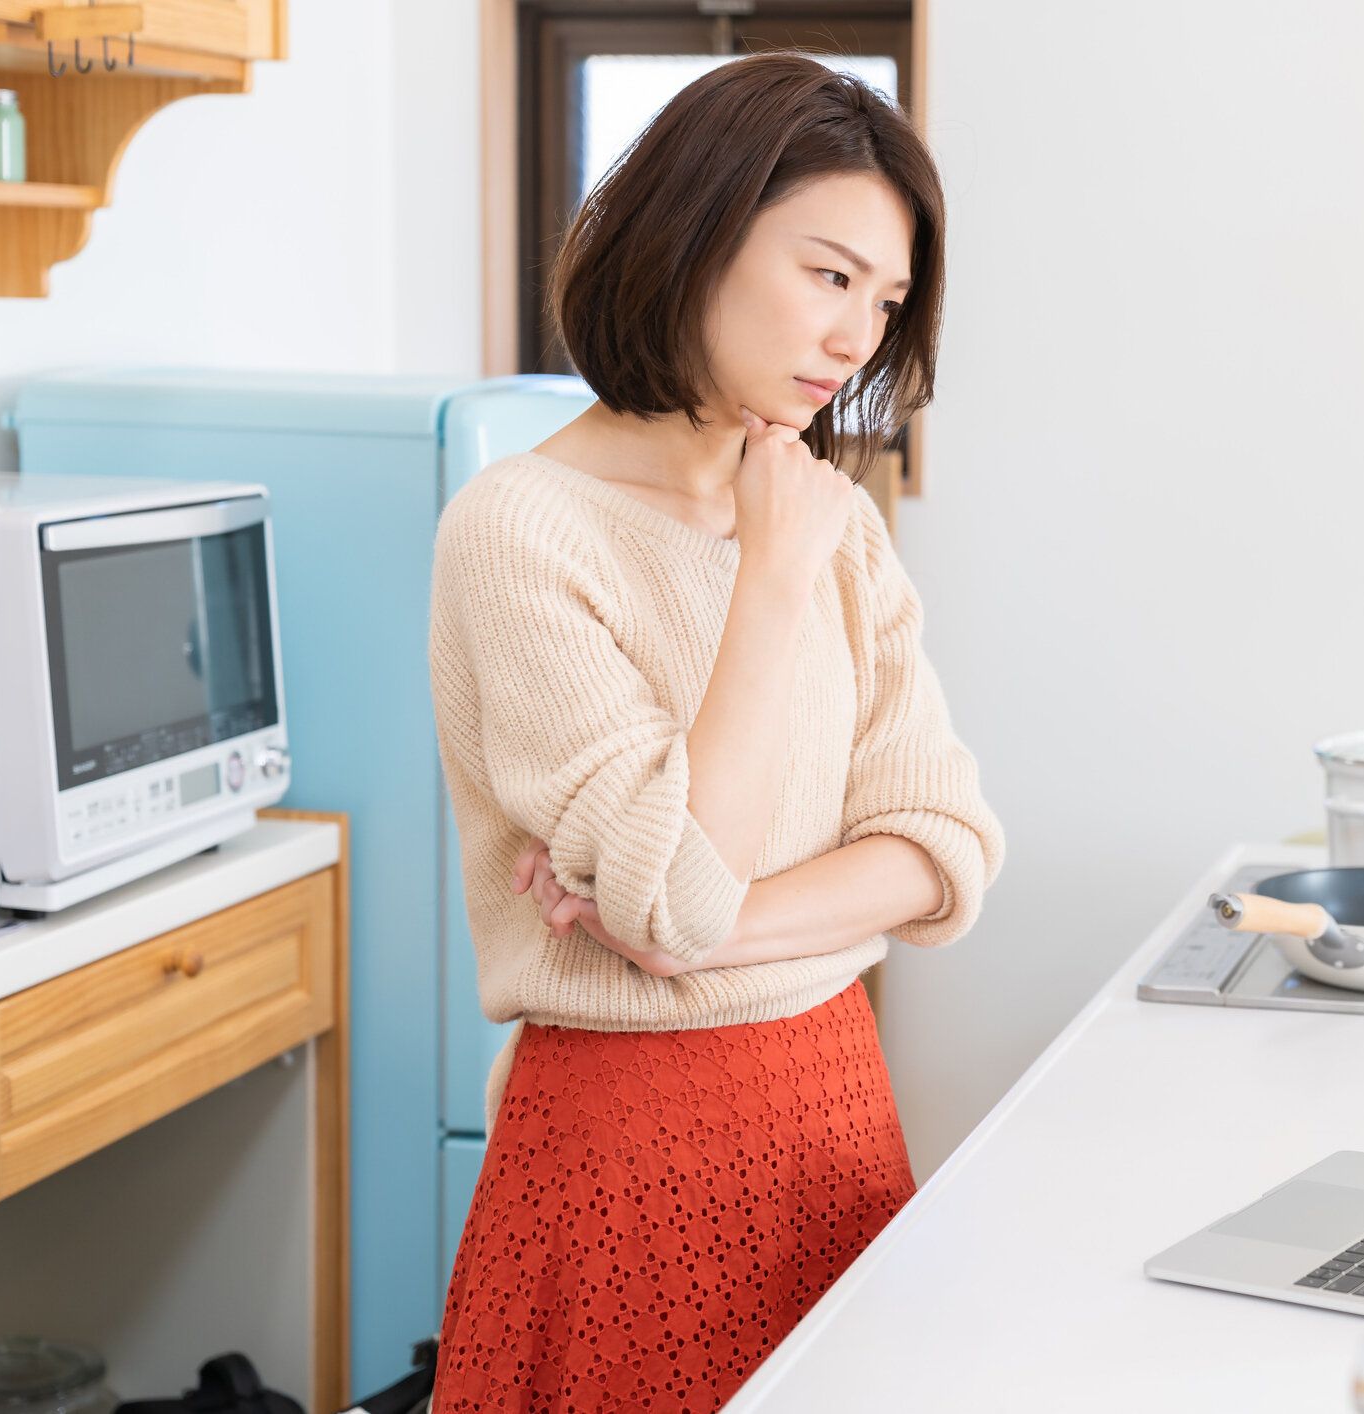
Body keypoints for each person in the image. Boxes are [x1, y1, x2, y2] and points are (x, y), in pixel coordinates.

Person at [425, 52, 1006, 1411]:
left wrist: (692, 922)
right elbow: (690, 886)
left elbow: (945, 849)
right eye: (827, 273)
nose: (859, 335)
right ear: (693, 234)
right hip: (626, 1150)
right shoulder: (522, 531)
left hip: (831, 1108)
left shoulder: (835, 525)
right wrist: (770, 580)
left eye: (887, 298)